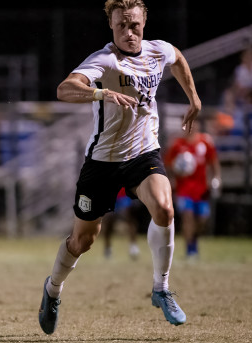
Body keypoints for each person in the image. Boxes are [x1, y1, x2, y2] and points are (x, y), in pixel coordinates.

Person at [39, 0, 201, 334]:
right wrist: (101, 95)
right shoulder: (105, 59)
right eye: (121, 26)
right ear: (111, 27)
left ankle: (162, 288)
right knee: (83, 240)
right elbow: (64, 89)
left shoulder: (158, 51)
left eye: (134, 25)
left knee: (165, 209)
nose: (129, 32)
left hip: (143, 154)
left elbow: (179, 59)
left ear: (144, 23)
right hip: (102, 161)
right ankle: (53, 288)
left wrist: (194, 98)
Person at [165, 120, 221, 259]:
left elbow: (214, 162)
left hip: (201, 190)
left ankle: (194, 241)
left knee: (202, 220)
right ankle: (190, 250)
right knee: (188, 217)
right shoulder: (177, 144)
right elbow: (167, 165)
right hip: (184, 189)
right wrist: (172, 177)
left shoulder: (205, 141)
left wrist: (216, 179)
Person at [102, 187, 140, 260]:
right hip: (110, 196)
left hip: (124, 196)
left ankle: (133, 246)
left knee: (129, 218)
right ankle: (107, 248)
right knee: (107, 221)